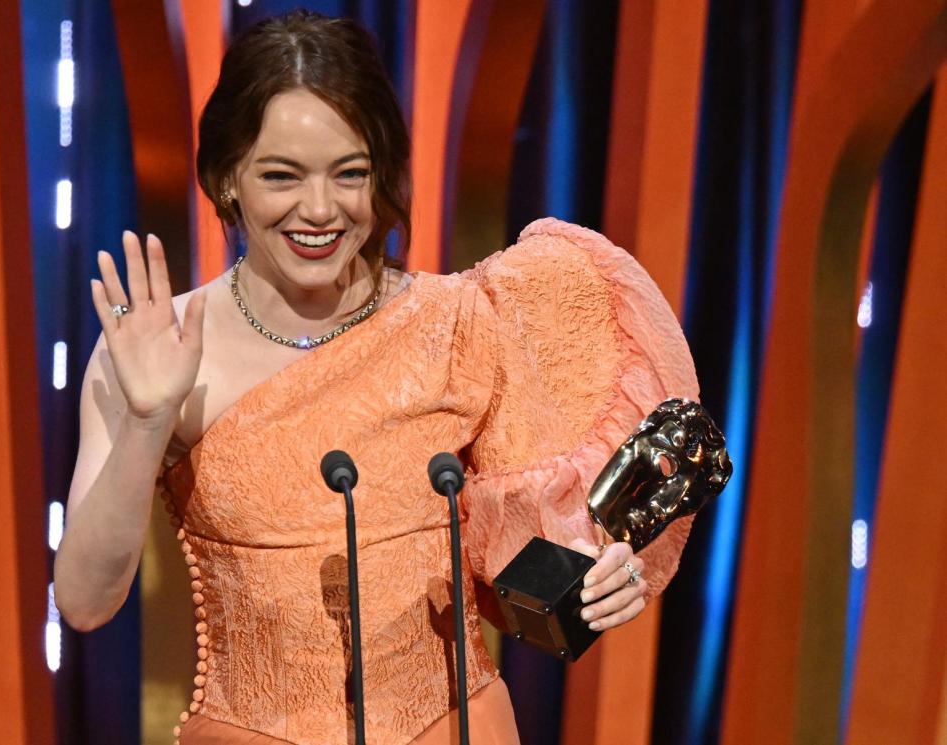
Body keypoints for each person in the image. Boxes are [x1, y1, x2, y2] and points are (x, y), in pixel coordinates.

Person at [53, 11, 698, 744]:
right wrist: (146, 422)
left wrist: (592, 576)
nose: (321, 209)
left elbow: (518, 559)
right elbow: (83, 601)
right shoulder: (157, 352)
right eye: (282, 175)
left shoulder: (459, 324)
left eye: (350, 173)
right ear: (228, 177)